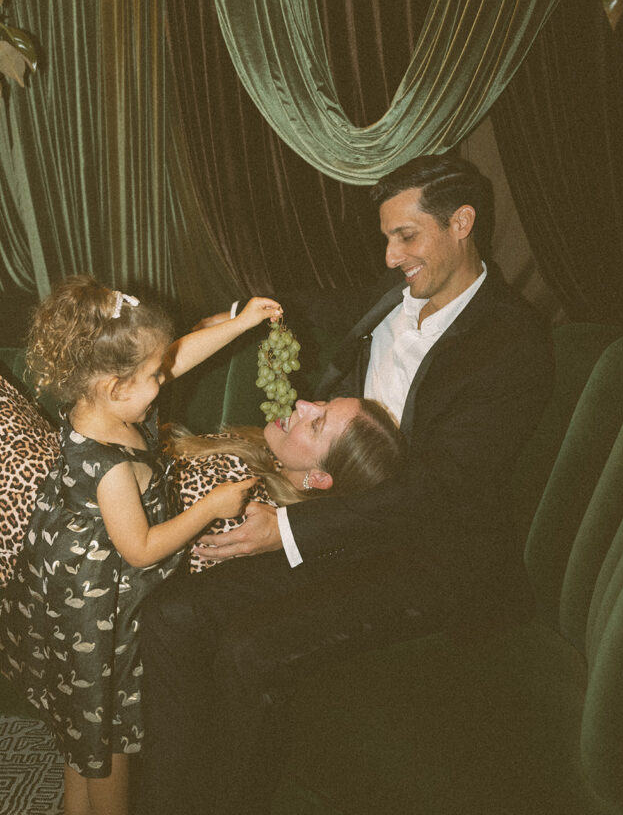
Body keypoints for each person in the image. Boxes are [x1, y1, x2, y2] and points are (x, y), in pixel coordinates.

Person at [139, 154, 555, 815]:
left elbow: (442, 490)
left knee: (251, 648)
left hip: (427, 556)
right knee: (169, 614)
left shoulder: (509, 343)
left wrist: (285, 529)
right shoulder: (391, 299)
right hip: (337, 529)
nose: (390, 257)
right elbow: (300, 309)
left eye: (405, 236)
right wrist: (244, 313)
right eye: (387, 238)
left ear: (462, 223)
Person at [0, 275, 283, 815]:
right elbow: (141, 548)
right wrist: (209, 509)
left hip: (74, 575)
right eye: (154, 375)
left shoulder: (107, 402)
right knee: (107, 747)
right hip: (95, 602)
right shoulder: (109, 462)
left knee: (84, 733)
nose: (166, 377)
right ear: (116, 386)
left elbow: (176, 357)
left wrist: (242, 322)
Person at [167, 397, 403, 572]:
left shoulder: (246, 513)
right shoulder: (269, 455)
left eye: (315, 424)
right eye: (323, 403)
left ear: (319, 477)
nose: (302, 404)